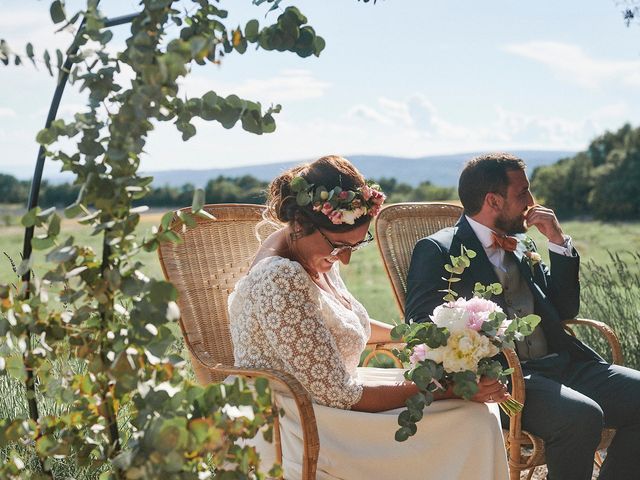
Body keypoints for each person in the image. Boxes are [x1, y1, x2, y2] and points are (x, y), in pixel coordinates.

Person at [228, 155, 510, 480]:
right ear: (300, 224)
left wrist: (419, 336)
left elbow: (336, 325)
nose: (344, 259)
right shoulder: (281, 278)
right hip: (302, 420)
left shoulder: (310, 252)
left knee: (475, 413)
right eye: (339, 246)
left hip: (332, 398)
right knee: (471, 420)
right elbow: (342, 395)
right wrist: (451, 389)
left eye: (355, 245)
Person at [405, 152, 640, 480]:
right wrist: (466, 376)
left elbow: (565, 309)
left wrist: (557, 242)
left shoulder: (522, 242)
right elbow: (420, 328)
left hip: (564, 364)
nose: (532, 202)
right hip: (507, 380)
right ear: (493, 200)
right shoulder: (438, 250)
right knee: (582, 416)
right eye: (523, 193)